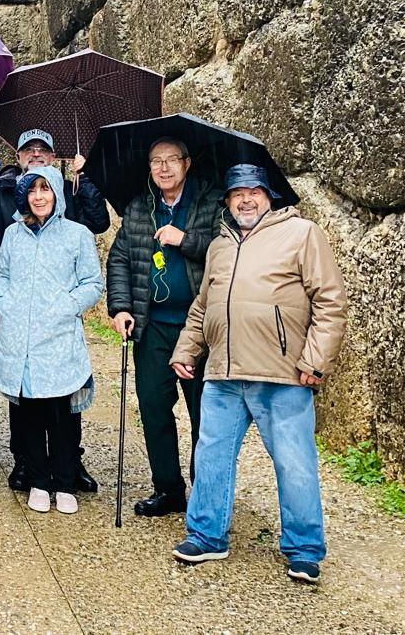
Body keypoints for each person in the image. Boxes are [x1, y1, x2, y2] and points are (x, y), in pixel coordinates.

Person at [170, 164, 347, 585]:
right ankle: (207, 535)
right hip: (224, 372)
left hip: (280, 374)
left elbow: (330, 301)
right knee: (211, 456)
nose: (246, 199)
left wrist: (315, 360)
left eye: (254, 191)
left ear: (269, 197)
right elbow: (203, 305)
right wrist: (187, 349)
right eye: (237, 193)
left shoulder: (302, 234)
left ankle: (304, 550)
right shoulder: (219, 245)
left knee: (294, 462)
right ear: (228, 202)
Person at [106, 136, 223, 518]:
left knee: (204, 413)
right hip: (153, 326)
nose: (164, 167)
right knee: (154, 408)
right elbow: (120, 258)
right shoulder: (140, 207)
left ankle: (205, 494)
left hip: (200, 329)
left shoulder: (211, 202)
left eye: (172, 159)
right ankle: (168, 488)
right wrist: (121, 307)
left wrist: (184, 239)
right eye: (156, 161)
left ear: (187, 163)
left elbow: (227, 252)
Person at [0, 127, 106, 489]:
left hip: (56, 318)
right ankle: (27, 461)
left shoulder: (70, 189)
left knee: (63, 396)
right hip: (20, 313)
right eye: (29, 149)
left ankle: (69, 464)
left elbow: (97, 223)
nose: (35, 154)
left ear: (53, 157)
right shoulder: (3, 193)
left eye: (42, 149)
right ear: (19, 156)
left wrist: (87, 178)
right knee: (23, 395)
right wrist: (4, 303)